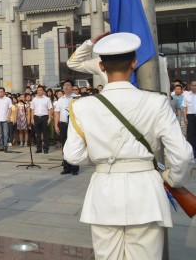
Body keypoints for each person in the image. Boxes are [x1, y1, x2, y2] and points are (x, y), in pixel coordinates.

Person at [64, 33, 193, 260]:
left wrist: (101, 157)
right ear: (134, 63)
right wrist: (173, 180)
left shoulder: (82, 105)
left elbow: (72, 155)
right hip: (146, 190)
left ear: (101, 66)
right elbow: (182, 154)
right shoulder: (157, 102)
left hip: (104, 191)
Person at [54, 80, 79, 175]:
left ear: (72, 87)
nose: (66, 86)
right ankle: (66, 167)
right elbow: (57, 112)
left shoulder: (77, 98)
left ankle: (75, 168)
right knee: (65, 146)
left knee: (74, 146)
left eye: (68, 85)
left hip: (74, 125)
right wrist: (56, 125)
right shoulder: (60, 99)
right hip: (63, 124)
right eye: (64, 85)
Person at [29, 86, 53, 154]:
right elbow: (32, 109)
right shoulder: (34, 99)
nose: (39, 91)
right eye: (38, 90)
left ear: (43, 91)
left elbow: (50, 109)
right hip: (36, 117)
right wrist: (32, 118)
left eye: (40, 90)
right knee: (38, 134)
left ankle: (46, 149)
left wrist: (49, 118)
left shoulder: (47, 99)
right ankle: (39, 148)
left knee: (45, 134)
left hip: (44, 117)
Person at [0, 87, 12, 153]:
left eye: (1, 92)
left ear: (4, 92)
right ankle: (1, 146)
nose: (0, 93)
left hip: (5, 119)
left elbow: (10, 108)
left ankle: (5, 146)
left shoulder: (8, 99)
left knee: (5, 134)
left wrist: (9, 117)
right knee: (0, 134)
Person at [182, 80, 196, 157]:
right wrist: (185, 118)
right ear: (190, 86)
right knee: (191, 134)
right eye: (192, 85)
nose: (194, 87)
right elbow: (185, 107)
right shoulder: (187, 95)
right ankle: (193, 153)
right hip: (190, 116)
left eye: (195, 85)